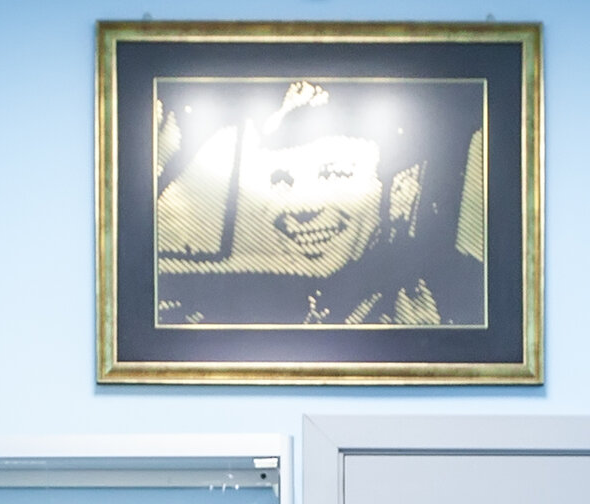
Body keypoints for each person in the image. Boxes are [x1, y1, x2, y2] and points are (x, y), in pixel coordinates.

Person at [151, 75, 489, 332]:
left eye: (335, 173)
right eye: (281, 180)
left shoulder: (437, 303)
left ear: (399, 190)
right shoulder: (237, 299)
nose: (304, 209)